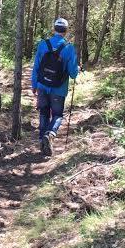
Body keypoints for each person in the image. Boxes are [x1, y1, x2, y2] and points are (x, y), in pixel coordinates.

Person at [31, 17, 79, 156]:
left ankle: (42, 141)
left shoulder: (43, 44)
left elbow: (36, 66)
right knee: (57, 114)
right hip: (59, 88)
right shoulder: (69, 48)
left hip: (42, 85)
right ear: (66, 30)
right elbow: (73, 74)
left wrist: (34, 84)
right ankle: (50, 134)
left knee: (44, 112)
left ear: (54, 29)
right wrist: (77, 68)